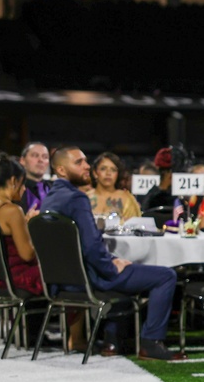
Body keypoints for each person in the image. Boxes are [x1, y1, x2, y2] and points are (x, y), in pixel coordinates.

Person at [42, 147, 180, 361]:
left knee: (131, 270)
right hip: (88, 279)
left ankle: (113, 339)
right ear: (61, 169)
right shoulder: (76, 198)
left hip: (62, 281)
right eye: (79, 162)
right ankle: (151, 343)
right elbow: (91, 247)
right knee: (166, 276)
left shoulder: (50, 198)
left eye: (86, 161)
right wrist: (111, 266)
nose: (87, 166)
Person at [0, 154, 42, 296]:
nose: (24, 189)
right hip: (13, 278)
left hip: (2, 277)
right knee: (66, 274)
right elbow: (27, 254)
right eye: (23, 183)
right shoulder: (12, 211)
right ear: (13, 181)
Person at [88, 152, 141, 221]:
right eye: (103, 169)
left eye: (113, 170)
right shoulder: (85, 198)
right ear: (95, 173)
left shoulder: (127, 199)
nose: (108, 173)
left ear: (117, 174)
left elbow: (135, 226)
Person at [18, 142, 50, 215]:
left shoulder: (55, 188)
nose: (40, 160)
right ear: (22, 160)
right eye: (35, 155)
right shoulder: (16, 190)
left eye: (45, 157)